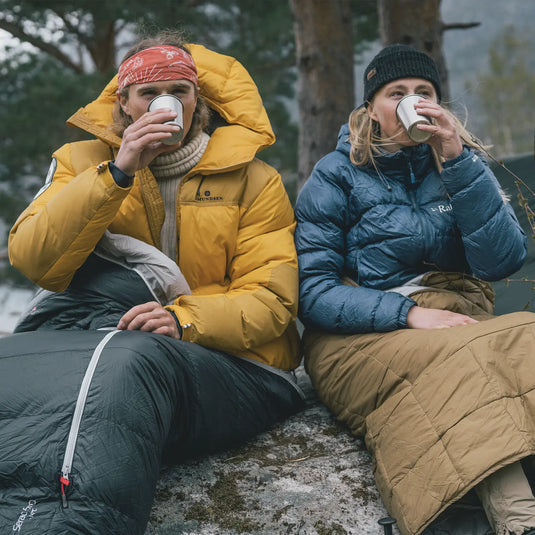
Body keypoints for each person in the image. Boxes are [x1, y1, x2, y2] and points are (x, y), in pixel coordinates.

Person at [6, 30, 304, 532]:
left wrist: (182, 319)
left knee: (128, 362)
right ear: (122, 102)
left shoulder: (254, 178)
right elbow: (33, 259)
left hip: (234, 365)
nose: (165, 103)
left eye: (180, 91)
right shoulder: (79, 161)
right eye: (148, 92)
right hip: (109, 344)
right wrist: (116, 172)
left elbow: (273, 300)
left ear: (198, 101)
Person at [294, 44, 535, 535]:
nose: (412, 101)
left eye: (423, 92)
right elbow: (313, 292)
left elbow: (503, 260)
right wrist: (407, 314)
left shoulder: (458, 164)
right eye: (396, 92)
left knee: (523, 337)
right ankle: (520, 523)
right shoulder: (335, 174)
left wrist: (458, 160)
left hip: (457, 318)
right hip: (358, 336)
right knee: (464, 360)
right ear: (371, 108)